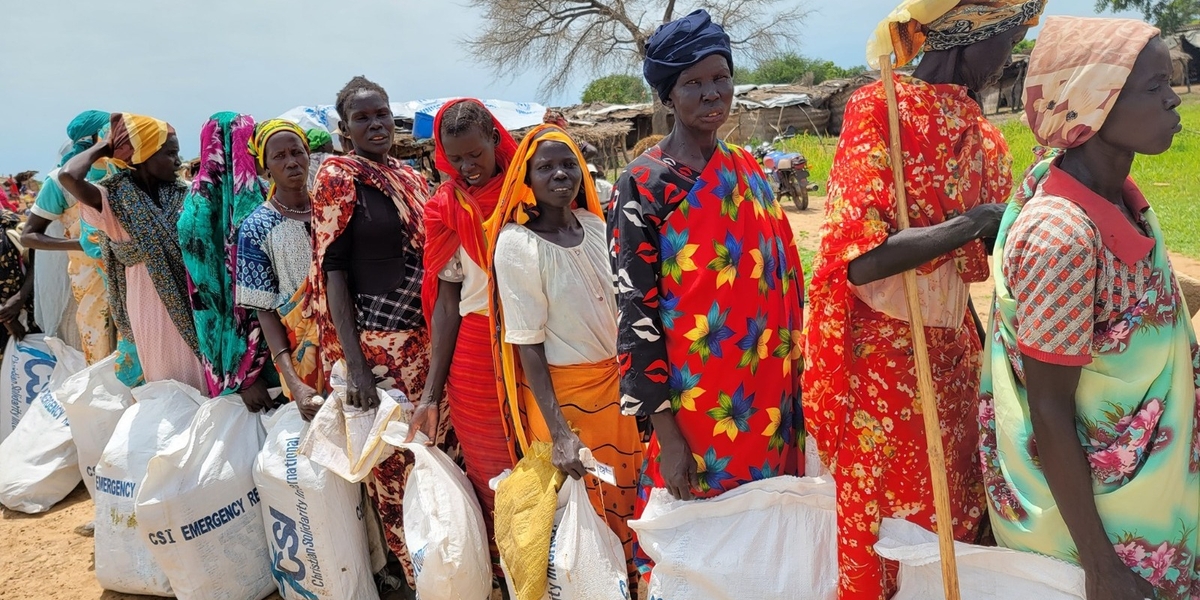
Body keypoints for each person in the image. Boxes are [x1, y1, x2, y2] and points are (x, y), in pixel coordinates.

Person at [802, 1, 1045, 597]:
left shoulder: (985, 137)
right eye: (1008, 39)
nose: (1010, 57)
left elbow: (986, 263)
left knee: (957, 527)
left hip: (954, 359)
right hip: (885, 370)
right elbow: (859, 260)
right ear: (968, 35)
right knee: (887, 533)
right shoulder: (878, 109)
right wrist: (971, 222)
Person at [981, 17, 1194, 599]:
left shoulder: (1120, 201)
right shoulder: (1062, 237)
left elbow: (1136, 314)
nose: (1175, 98)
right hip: (1096, 534)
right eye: (1153, 88)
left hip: (1147, 505)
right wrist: (1102, 568)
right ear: (1093, 105)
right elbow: (1049, 410)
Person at [608, 9, 806, 579]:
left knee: (765, 541)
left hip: (770, 401)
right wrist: (666, 434)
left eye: (720, 77)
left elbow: (784, 280)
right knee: (701, 544)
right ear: (668, 96)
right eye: (693, 83)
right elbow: (635, 315)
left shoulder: (749, 169)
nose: (711, 93)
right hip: (697, 410)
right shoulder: (644, 185)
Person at [307, 75, 449, 591]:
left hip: (428, 339)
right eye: (362, 118)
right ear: (345, 130)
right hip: (381, 347)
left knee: (435, 454)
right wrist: (358, 367)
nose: (376, 124)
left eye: (382, 114)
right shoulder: (339, 179)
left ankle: (453, 564)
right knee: (394, 468)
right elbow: (333, 270)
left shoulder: (410, 177)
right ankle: (418, 578)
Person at [490, 124, 643, 589]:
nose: (560, 174)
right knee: (589, 508)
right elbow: (527, 343)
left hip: (621, 392)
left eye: (568, 163)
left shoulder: (597, 227)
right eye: (546, 167)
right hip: (567, 402)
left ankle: (629, 584)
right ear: (527, 180)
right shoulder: (517, 244)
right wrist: (558, 432)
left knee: (630, 495)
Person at [404, 98, 518, 578]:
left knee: (539, 457)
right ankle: (506, 569)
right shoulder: (444, 208)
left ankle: (551, 562)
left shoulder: (527, 193)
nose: (467, 167)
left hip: (534, 345)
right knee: (491, 463)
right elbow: (447, 304)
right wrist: (432, 393)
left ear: (495, 139)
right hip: (474, 353)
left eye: (476, 154)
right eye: (455, 159)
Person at [59, 112, 202, 389]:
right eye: (170, 153)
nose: (177, 161)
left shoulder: (183, 194)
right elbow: (69, 176)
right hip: (148, 301)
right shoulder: (113, 198)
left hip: (193, 298)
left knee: (201, 379)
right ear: (144, 154)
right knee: (166, 382)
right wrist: (107, 145)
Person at [178, 112, 272, 408]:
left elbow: (205, 300)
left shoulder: (192, 205)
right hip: (261, 349)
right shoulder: (257, 198)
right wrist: (245, 376)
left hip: (220, 351)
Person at [237, 119, 323, 419]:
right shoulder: (256, 227)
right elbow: (264, 310)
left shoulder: (332, 209)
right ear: (264, 169)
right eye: (279, 157)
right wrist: (294, 383)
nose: (291, 162)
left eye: (297, 152)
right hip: (305, 357)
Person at [22, 110, 115, 364]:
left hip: (126, 272)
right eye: (109, 129)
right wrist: (79, 244)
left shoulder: (121, 173)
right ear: (95, 138)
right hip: (88, 273)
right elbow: (29, 236)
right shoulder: (59, 182)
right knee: (98, 343)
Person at [0, 207, 35, 353]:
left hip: (26, 311)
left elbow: (36, 263)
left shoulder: (13, 223)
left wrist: (20, 297)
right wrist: (6, 318)